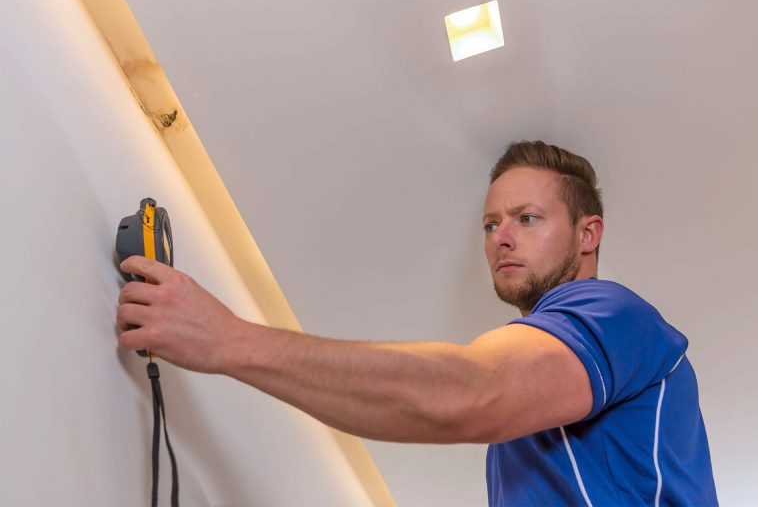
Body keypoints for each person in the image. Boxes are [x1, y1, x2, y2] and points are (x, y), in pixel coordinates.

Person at [117, 140, 718, 506]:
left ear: (588, 235)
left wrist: (226, 338)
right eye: (490, 225)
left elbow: (471, 395)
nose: (500, 237)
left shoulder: (611, 312)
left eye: (527, 218)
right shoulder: (546, 398)